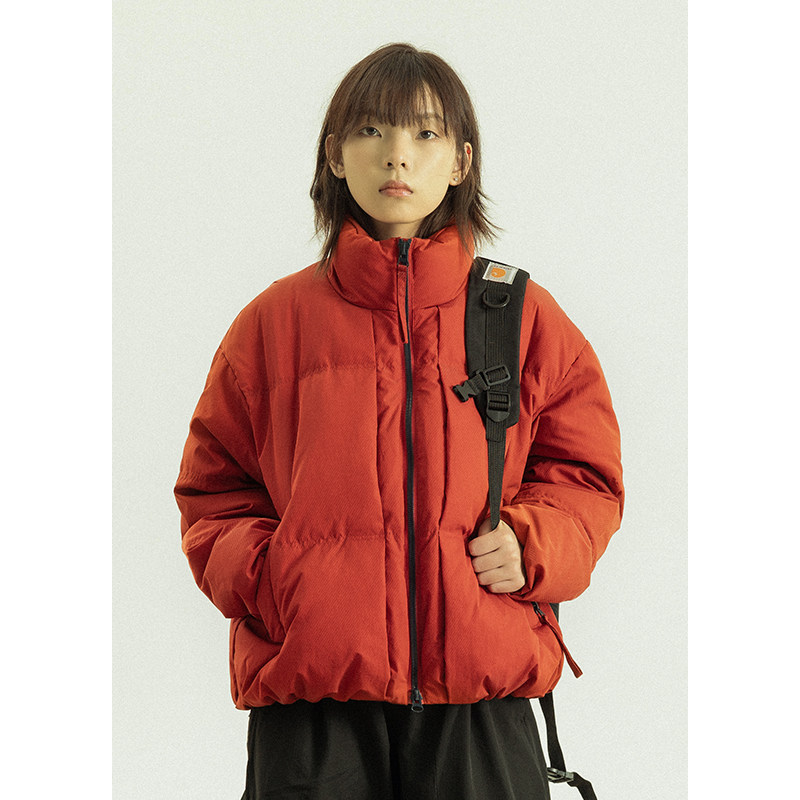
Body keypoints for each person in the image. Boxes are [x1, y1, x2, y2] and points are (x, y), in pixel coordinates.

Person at [175, 42, 624, 800]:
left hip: (480, 700)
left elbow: (586, 477)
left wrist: (535, 541)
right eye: (371, 130)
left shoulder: (520, 315)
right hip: (315, 705)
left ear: (461, 161)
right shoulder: (272, 324)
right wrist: (277, 580)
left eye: (425, 133)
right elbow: (213, 492)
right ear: (335, 155)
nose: (397, 155)